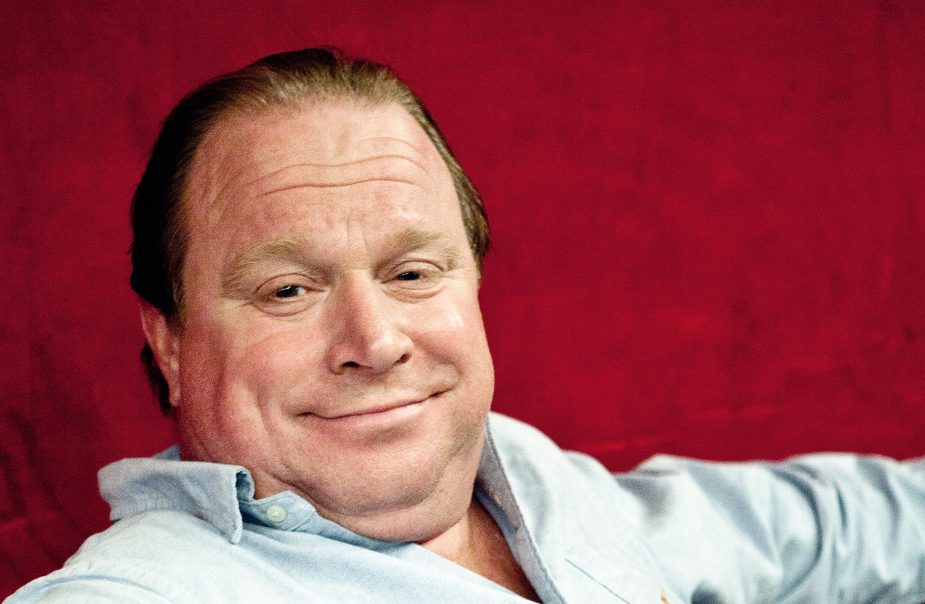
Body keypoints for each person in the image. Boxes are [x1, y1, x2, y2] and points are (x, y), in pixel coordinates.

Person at [7, 48, 925, 604]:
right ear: (169, 342)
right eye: (287, 289)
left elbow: (844, 529)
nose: (374, 341)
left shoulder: (540, 482)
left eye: (412, 273)